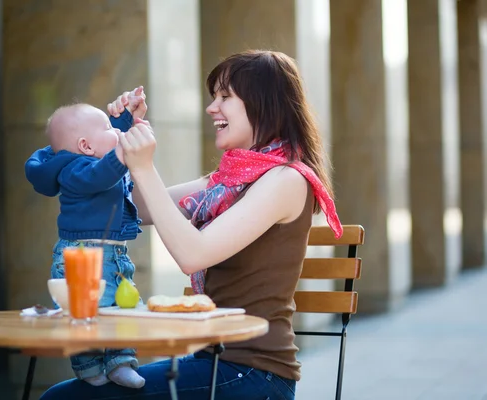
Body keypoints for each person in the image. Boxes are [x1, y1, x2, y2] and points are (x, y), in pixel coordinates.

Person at [40, 50, 343, 400]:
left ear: (264, 103)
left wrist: (143, 167)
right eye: (214, 97)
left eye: (225, 97)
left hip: (254, 374)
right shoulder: (227, 182)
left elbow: (192, 255)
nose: (212, 108)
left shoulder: (287, 179)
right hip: (214, 361)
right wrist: (114, 141)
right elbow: (129, 208)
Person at [25, 88, 149, 389]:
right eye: (108, 128)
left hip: (113, 255)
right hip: (82, 255)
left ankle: (120, 362)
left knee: (123, 308)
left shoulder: (93, 156)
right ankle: (89, 366)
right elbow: (102, 173)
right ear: (85, 145)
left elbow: (105, 149)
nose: (115, 131)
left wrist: (127, 118)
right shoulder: (73, 171)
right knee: (86, 313)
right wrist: (123, 153)